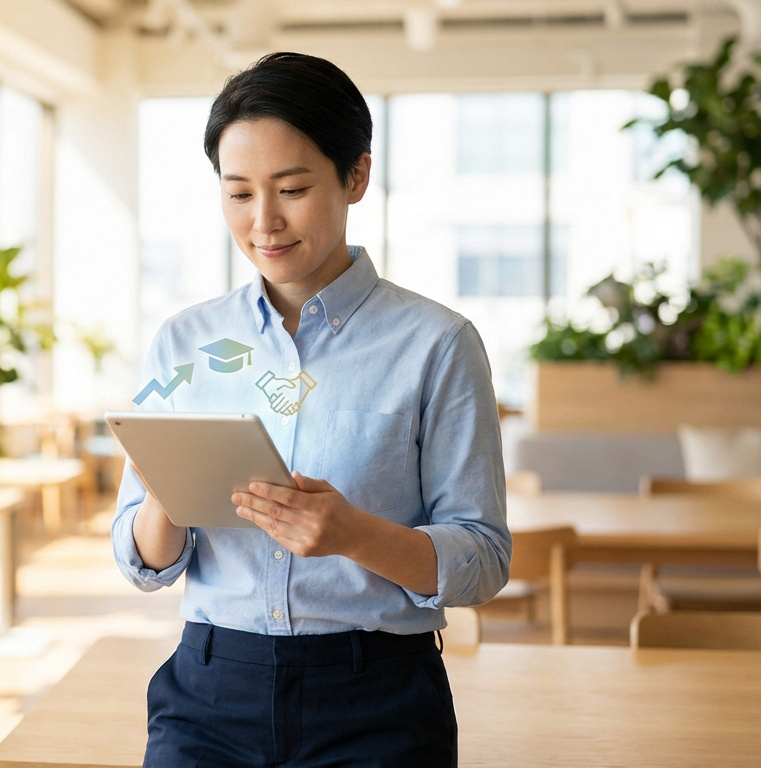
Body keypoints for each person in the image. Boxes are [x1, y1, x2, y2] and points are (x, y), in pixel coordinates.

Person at [112, 52, 511, 767]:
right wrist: (167, 494)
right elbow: (143, 562)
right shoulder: (183, 342)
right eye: (238, 194)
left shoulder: (438, 344)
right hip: (208, 691)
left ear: (355, 175)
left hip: (377, 699)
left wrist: (355, 534)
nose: (264, 221)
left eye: (292, 188)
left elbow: (483, 558)